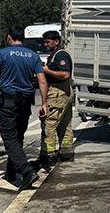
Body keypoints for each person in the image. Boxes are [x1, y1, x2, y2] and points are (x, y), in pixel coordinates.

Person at [0, 28, 48, 191]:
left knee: (9, 137)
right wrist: (44, 103)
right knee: (17, 136)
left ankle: (26, 172)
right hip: (26, 100)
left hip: (8, 100)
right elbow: (42, 81)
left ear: (9, 37)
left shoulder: (2, 53)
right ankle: (11, 172)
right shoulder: (33, 55)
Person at [38, 30, 74, 169]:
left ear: (56, 41)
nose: (45, 44)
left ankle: (48, 156)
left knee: (49, 124)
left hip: (58, 93)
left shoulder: (61, 55)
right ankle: (66, 152)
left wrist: (46, 71)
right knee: (65, 124)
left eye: (48, 41)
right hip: (62, 93)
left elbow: (65, 74)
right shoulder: (54, 55)